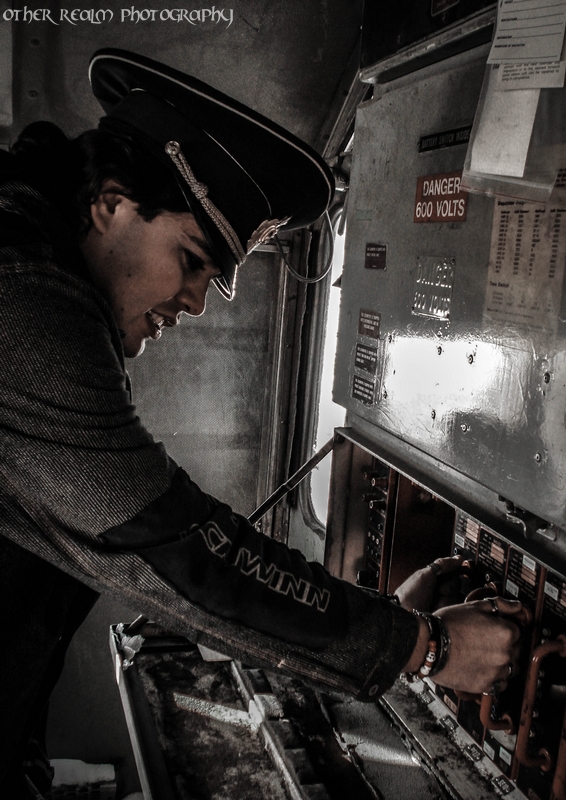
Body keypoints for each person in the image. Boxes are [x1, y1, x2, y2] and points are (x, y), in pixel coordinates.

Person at [0, 49, 524, 798]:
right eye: (191, 259)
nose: (195, 303)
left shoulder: (30, 259)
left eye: (213, 279)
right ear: (110, 203)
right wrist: (426, 645)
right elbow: (177, 553)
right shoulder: (27, 311)